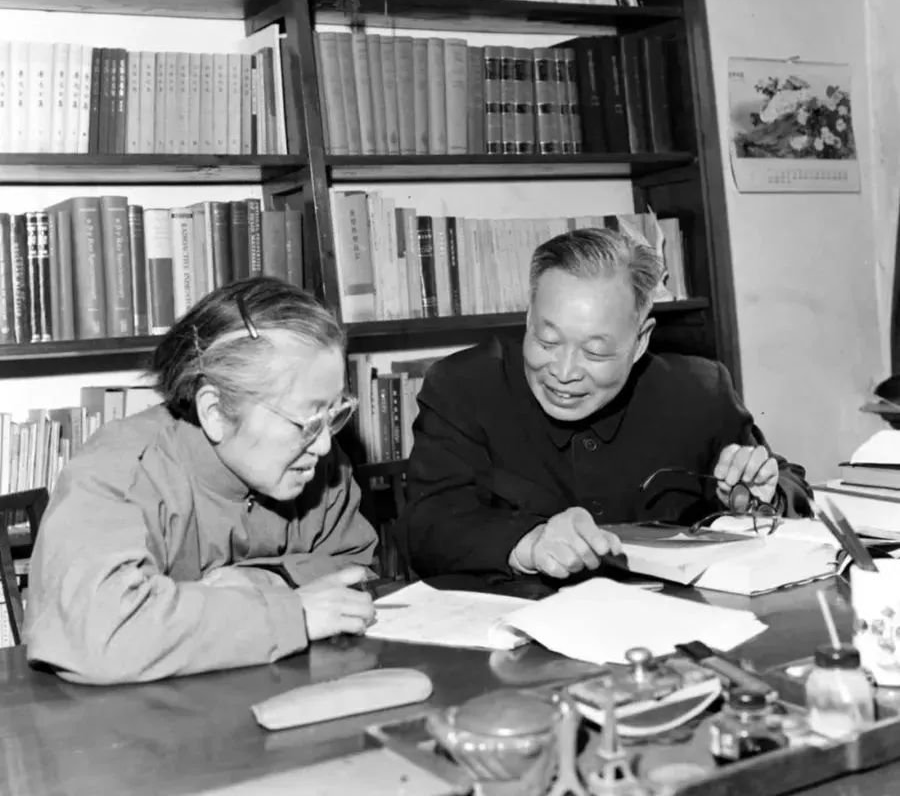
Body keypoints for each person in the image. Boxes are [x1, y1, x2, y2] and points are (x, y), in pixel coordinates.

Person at [401, 228, 812, 583]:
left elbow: (789, 484)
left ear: (641, 340)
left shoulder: (698, 391)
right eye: (546, 341)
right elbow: (427, 528)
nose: (563, 372)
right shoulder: (464, 386)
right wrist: (529, 542)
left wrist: (758, 499)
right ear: (529, 318)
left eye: (595, 352)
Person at [25, 277, 377, 685]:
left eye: (333, 413)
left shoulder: (317, 465)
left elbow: (359, 572)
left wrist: (264, 580)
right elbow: (101, 633)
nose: (324, 443)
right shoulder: (120, 470)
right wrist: (291, 613)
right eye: (308, 420)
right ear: (214, 411)